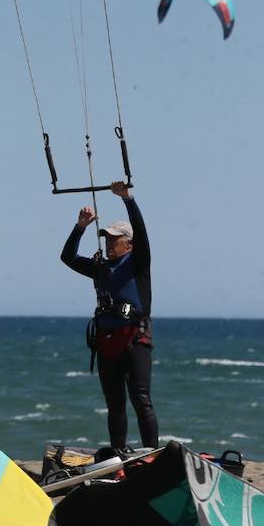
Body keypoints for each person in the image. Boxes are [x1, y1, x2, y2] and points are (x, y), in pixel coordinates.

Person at [60, 181, 158, 453]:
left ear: (129, 244)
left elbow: (141, 231)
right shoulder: (99, 267)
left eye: (115, 239)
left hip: (135, 338)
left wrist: (127, 199)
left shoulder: (138, 262)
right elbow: (67, 257)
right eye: (106, 238)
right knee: (114, 403)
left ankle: (152, 452)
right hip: (106, 342)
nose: (109, 242)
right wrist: (80, 226)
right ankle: (118, 452)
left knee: (140, 398)